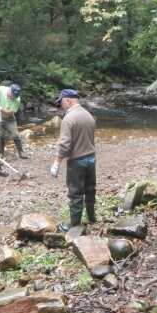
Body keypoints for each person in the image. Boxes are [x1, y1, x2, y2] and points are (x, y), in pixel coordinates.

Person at [50, 89, 97, 228]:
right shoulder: (88, 115)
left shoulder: (69, 119)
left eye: (62, 102)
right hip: (91, 158)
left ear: (68, 101)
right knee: (90, 189)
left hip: (77, 161)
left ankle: (75, 224)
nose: (61, 106)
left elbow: (64, 145)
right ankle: (92, 216)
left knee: (75, 194)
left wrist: (56, 163)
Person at [0, 82, 29, 159]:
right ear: (9, 90)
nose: (13, 97)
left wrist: (0, 108)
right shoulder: (1, 89)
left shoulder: (17, 99)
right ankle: (0, 153)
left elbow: (9, 114)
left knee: (15, 135)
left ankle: (21, 151)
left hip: (9, 119)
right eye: (13, 95)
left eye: (15, 96)